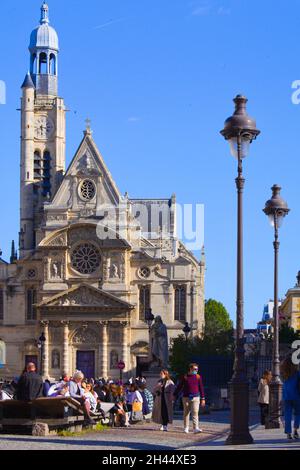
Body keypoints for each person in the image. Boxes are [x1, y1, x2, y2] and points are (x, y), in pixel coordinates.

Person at [174, 363, 206, 434]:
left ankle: (195, 428)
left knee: (195, 412)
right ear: (190, 369)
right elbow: (179, 386)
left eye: (197, 369)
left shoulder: (198, 377)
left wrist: (203, 398)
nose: (196, 370)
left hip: (196, 397)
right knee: (186, 413)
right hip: (186, 397)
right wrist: (174, 394)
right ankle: (186, 427)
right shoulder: (185, 377)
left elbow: (201, 388)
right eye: (195, 369)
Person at [280, 356, 300, 441]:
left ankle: (288, 433)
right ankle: (295, 430)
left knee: (287, 415)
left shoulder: (283, 375)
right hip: (296, 396)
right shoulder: (297, 373)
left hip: (286, 396)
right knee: (298, 414)